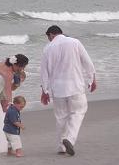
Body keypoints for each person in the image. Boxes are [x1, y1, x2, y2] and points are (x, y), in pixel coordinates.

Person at [40, 25, 96, 156]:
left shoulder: (48, 48)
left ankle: (61, 146)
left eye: (48, 37)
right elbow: (87, 62)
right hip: (75, 85)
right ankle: (69, 139)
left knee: (61, 117)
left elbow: (44, 72)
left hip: (57, 89)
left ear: (51, 35)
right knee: (78, 112)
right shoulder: (74, 42)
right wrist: (92, 79)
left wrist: (44, 90)